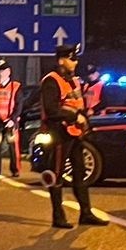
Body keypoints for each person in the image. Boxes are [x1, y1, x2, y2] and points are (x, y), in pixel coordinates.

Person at [40, 41, 98, 229]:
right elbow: (51, 110)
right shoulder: (51, 80)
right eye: (72, 59)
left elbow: (77, 104)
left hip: (75, 133)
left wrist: (83, 120)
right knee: (57, 175)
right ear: (62, 60)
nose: (75, 63)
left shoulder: (73, 80)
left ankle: (86, 213)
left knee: (79, 173)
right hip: (59, 134)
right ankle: (58, 216)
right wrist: (74, 116)